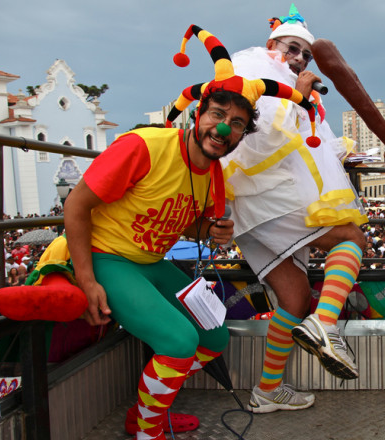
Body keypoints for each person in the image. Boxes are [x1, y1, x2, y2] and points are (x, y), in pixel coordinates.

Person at [64, 25, 318, 439]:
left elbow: (192, 226)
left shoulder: (214, 176)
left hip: (149, 262)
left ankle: (147, 412)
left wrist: (213, 231)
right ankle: (150, 431)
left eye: (236, 123)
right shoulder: (144, 146)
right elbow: (76, 205)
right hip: (107, 256)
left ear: (242, 134)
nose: (223, 129)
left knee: (215, 338)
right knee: (179, 341)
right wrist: (86, 278)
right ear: (198, 115)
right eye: (218, 115)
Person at [221, 4, 368, 413]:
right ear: (272, 44)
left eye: (305, 53)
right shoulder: (256, 65)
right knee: (352, 237)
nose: (299, 58)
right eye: (292, 48)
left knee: (293, 298)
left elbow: (309, 141)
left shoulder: (284, 78)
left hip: (258, 207)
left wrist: (344, 149)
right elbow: (263, 134)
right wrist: (299, 94)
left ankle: (266, 392)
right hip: (266, 197)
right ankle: (325, 324)